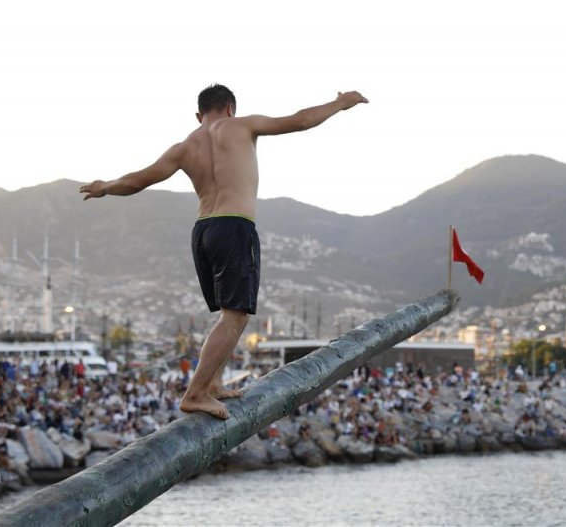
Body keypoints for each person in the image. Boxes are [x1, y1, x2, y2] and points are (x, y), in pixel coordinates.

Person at [80, 84, 368, 419]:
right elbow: (301, 121)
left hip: (203, 231)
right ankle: (196, 392)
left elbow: (138, 181)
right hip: (233, 226)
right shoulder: (242, 125)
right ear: (230, 107)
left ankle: (213, 383)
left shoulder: (184, 146)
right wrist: (339, 103)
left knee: (225, 314)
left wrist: (105, 187)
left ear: (199, 115)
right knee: (236, 315)